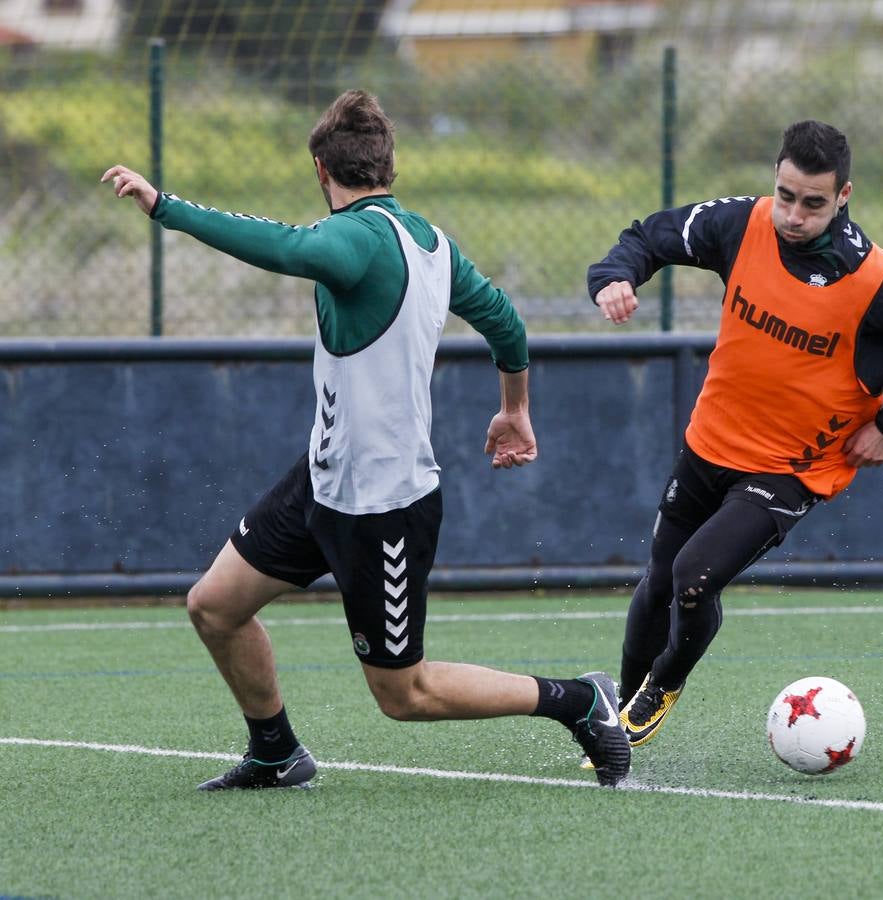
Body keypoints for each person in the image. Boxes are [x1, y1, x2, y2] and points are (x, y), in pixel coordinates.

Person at [102, 89, 630, 788]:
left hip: (381, 504)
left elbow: (281, 244)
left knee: (402, 695)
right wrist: (515, 409)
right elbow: (507, 324)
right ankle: (275, 752)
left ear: (321, 169)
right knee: (215, 607)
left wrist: (164, 206)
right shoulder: (434, 242)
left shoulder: (353, 239)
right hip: (322, 480)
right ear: (389, 167)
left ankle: (579, 699)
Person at [587, 120, 883, 750]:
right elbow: (648, 237)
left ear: (843, 195)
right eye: (786, 195)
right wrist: (615, 275)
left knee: (693, 578)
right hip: (710, 442)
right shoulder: (742, 224)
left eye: (813, 202)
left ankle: (663, 685)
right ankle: (618, 727)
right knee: (658, 582)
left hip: (793, 468)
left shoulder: (875, 279)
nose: (793, 215)